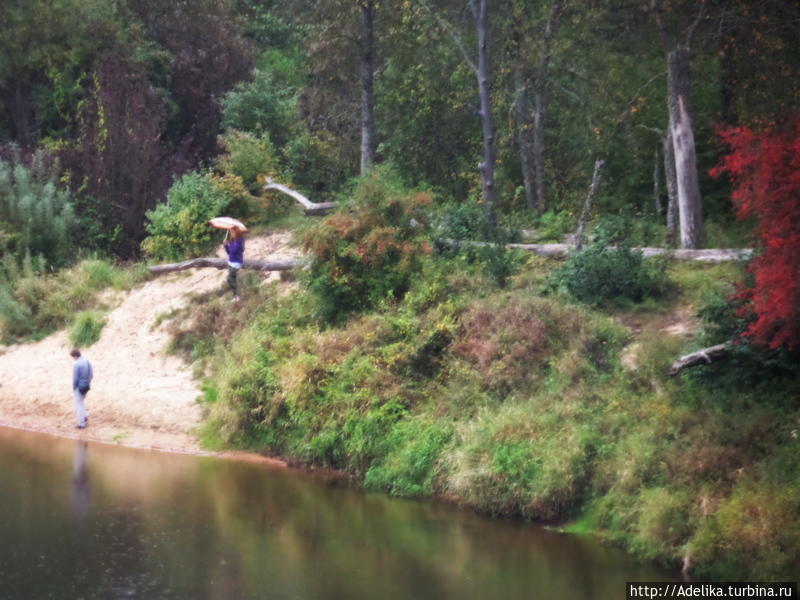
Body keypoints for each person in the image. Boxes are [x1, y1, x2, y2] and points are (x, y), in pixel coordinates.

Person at [70, 348, 93, 429]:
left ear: (75, 356)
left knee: (78, 405)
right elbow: (91, 374)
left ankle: (81, 423)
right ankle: (85, 416)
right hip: (87, 386)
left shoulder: (76, 364)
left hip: (79, 387)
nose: (73, 359)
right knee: (82, 402)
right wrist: (88, 382)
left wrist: (74, 388)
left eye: (72, 357)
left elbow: (75, 378)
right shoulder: (87, 361)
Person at [223, 227, 245, 302]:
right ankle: (236, 296)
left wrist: (228, 244)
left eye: (232, 232)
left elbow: (234, 251)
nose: (231, 233)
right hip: (231, 262)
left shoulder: (240, 241)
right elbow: (229, 252)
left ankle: (236, 296)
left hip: (236, 263)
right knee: (231, 279)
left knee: (230, 279)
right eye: (230, 232)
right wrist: (226, 246)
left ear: (237, 232)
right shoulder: (233, 240)